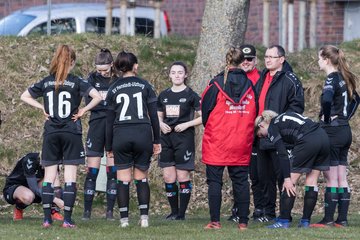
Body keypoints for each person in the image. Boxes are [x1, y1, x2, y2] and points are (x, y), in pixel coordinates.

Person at [20, 44, 102, 228]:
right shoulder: (77, 81)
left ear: (56, 61)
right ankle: (67, 219)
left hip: (51, 132)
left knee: (49, 176)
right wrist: (83, 111)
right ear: (72, 62)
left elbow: (24, 96)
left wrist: (42, 107)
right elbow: (97, 97)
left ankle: (47, 219)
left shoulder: (47, 81)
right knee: (70, 175)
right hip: (71, 131)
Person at [201, 47, 258, 230]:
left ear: (226, 62)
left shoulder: (216, 83)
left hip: (217, 139)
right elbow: (255, 111)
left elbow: (205, 111)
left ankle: (215, 221)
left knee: (215, 182)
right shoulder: (250, 85)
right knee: (241, 181)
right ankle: (243, 222)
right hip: (241, 139)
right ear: (242, 62)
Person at [105, 51, 161, 228]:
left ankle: (124, 220)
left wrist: (109, 146)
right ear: (135, 66)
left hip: (121, 134)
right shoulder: (145, 85)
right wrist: (157, 140)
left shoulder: (113, 88)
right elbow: (153, 116)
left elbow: (108, 121)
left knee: (123, 179)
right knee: (141, 177)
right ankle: (144, 218)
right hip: (142, 133)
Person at [255, 111, 330, 228]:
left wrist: (287, 178)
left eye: (261, 135)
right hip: (323, 137)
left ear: (261, 125)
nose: (265, 137)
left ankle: (284, 221)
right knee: (312, 180)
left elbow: (282, 154)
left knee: (290, 181)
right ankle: (305, 221)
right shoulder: (283, 118)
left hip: (308, 139)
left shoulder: (272, 127)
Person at [310, 45, 358, 228]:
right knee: (341, 178)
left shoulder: (331, 79)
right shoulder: (344, 77)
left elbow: (327, 99)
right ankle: (342, 220)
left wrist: (327, 119)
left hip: (333, 132)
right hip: (345, 131)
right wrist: (346, 116)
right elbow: (357, 99)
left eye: (319, 58)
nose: (318, 61)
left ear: (327, 60)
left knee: (331, 178)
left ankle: (329, 219)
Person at [255, 45, 304, 222]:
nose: (267, 59)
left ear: (281, 59)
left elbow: (297, 107)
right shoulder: (262, 77)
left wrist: (278, 124)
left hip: (280, 136)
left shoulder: (290, 79)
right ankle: (268, 213)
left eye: (272, 57)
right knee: (264, 177)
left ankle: (285, 216)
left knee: (282, 176)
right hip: (261, 134)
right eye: (266, 56)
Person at [157, 61, 202, 221]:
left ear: (185, 75)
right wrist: (161, 124)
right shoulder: (164, 95)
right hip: (166, 140)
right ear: (169, 75)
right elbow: (158, 115)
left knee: (182, 176)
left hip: (184, 140)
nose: (177, 75)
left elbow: (203, 117)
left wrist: (186, 124)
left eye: (180, 72)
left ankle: (182, 214)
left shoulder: (192, 95)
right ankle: (173, 211)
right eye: (173, 72)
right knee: (169, 177)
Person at [228, 44, 264, 223]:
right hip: (235, 133)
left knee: (256, 174)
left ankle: (259, 209)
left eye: (249, 59)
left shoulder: (260, 78)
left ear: (255, 60)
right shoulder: (230, 77)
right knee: (237, 175)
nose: (246, 62)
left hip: (255, 131)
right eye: (243, 59)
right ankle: (237, 210)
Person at [82, 48, 118, 221]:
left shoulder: (118, 80)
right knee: (92, 171)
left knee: (113, 172)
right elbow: (89, 101)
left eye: (105, 69)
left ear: (112, 65)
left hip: (114, 128)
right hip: (96, 126)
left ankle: (110, 212)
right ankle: (86, 212)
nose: (102, 73)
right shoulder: (91, 79)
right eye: (99, 70)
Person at [3, 152, 64, 221]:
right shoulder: (30, 160)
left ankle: (54, 211)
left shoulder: (54, 164)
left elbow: (53, 186)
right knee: (28, 196)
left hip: (34, 186)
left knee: (53, 179)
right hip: (15, 187)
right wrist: (55, 200)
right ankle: (19, 207)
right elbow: (34, 188)